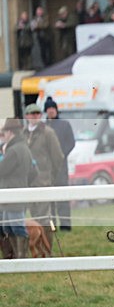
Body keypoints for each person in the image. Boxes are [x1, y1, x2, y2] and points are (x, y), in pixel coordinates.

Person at [24, 103, 63, 256]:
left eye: (37, 113)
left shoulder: (48, 133)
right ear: (26, 116)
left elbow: (58, 157)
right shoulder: (23, 133)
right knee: (32, 220)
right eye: (32, 114)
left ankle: (48, 251)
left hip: (43, 182)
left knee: (44, 219)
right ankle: (38, 252)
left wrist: (50, 177)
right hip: (27, 183)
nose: (35, 116)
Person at [0, 118, 34, 259]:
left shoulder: (13, 151)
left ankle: (20, 258)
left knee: (16, 227)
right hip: (17, 192)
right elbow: (34, 172)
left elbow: (2, 170)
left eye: (4, 132)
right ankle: (16, 257)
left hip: (12, 194)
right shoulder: (24, 148)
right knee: (8, 227)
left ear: (10, 132)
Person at [44, 97, 75, 231]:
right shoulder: (43, 126)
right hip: (46, 169)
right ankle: (52, 225)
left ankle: (65, 224)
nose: (51, 111)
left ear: (56, 110)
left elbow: (71, 142)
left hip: (61, 168)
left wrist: (61, 155)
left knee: (63, 196)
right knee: (49, 198)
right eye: (49, 109)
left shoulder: (64, 125)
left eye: (53, 108)